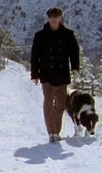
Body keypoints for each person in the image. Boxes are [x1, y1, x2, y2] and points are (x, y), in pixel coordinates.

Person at [30, 7, 80, 142]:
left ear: (60, 18)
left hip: (62, 74)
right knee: (48, 102)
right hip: (46, 74)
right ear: (48, 18)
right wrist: (34, 74)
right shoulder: (40, 36)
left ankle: (57, 131)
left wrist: (75, 68)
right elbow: (35, 56)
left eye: (56, 16)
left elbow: (74, 52)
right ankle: (51, 132)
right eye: (51, 16)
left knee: (60, 105)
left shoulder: (68, 35)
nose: (53, 19)